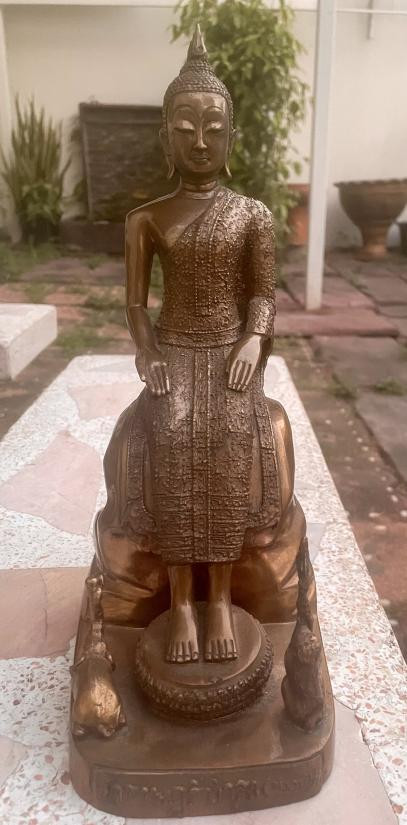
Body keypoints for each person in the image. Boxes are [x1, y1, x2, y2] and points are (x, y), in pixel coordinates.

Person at [123, 25, 280, 664]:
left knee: (228, 440)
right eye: (185, 127)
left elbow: (263, 294)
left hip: (230, 353)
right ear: (166, 137)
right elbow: (136, 305)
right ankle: (182, 600)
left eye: (213, 128)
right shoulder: (146, 219)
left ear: (231, 138)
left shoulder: (253, 216)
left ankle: (220, 596)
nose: (199, 140)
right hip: (173, 351)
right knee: (171, 435)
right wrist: (148, 353)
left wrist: (253, 340)